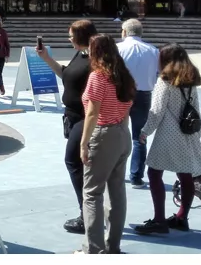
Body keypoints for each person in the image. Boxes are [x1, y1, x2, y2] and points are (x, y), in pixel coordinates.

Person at [132, 44, 201, 235]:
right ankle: (182, 216)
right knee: (185, 174)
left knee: (154, 173)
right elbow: (196, 110)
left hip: (168, 134)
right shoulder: (190, 81)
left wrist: (144, 132)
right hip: (188, 133)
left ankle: (159, 220)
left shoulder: (165, 81)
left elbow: (156, 111)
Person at [36, 19, 97, 234]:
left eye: (71, 35)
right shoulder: (80, 54)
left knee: (73, 161)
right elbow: (66, 75)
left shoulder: (94, 59)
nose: (69, 39)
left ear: (81, 36)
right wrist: (46, 59)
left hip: (85, 117)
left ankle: (87, 214)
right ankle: (91, 211)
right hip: (73, 116)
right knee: (80, 164)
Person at [78, 34, 135, 254]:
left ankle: (92, 249)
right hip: (122, 132)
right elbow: (127, 108)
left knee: (92, 193)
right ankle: (113, 246)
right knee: (117, 191)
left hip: (103, 134)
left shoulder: (98, 77)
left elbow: (93, 113)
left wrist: (84, 144)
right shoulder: (125, 76)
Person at [116, 19, 159, 189]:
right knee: (139, 137)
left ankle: (115, 171)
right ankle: (136, 176)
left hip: (121, 94)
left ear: (124, 32)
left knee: (116, 133)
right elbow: (159, 73)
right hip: (143, 94)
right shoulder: (153, 50)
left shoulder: (118, 49)